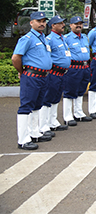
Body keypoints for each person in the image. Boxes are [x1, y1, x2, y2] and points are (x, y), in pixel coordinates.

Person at [11, 11, 54, 150]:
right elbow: (16, 57)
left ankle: (34, 133)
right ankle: (23, 139)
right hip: (32, 76)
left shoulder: (44, 38)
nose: (42, 23)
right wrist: (21, 72)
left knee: (37, 105)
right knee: (26, 106)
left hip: (43, 76)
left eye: (43, 21)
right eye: (38, 21)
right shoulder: (27, 38)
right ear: (31, 23)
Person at [43, 15, 72, 132]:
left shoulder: (62, 38)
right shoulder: (49, 40)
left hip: (62, 73)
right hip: (54, 72)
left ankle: (53, 121)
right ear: (53, 26)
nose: (63, 25)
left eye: (63, 23)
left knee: (56, 98)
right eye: (60, 23)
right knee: (48, 98)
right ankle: (44, 124)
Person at [64, 16, 92, 122]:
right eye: (76, 24)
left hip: (85, 67)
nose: (78, 25)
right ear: (71, 25)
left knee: (81, 91)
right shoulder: (66, 38)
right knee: (70, 91)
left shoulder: (84, 37)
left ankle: (78, 113)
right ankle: (68, 116)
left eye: (80, 23)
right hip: (73, 68)